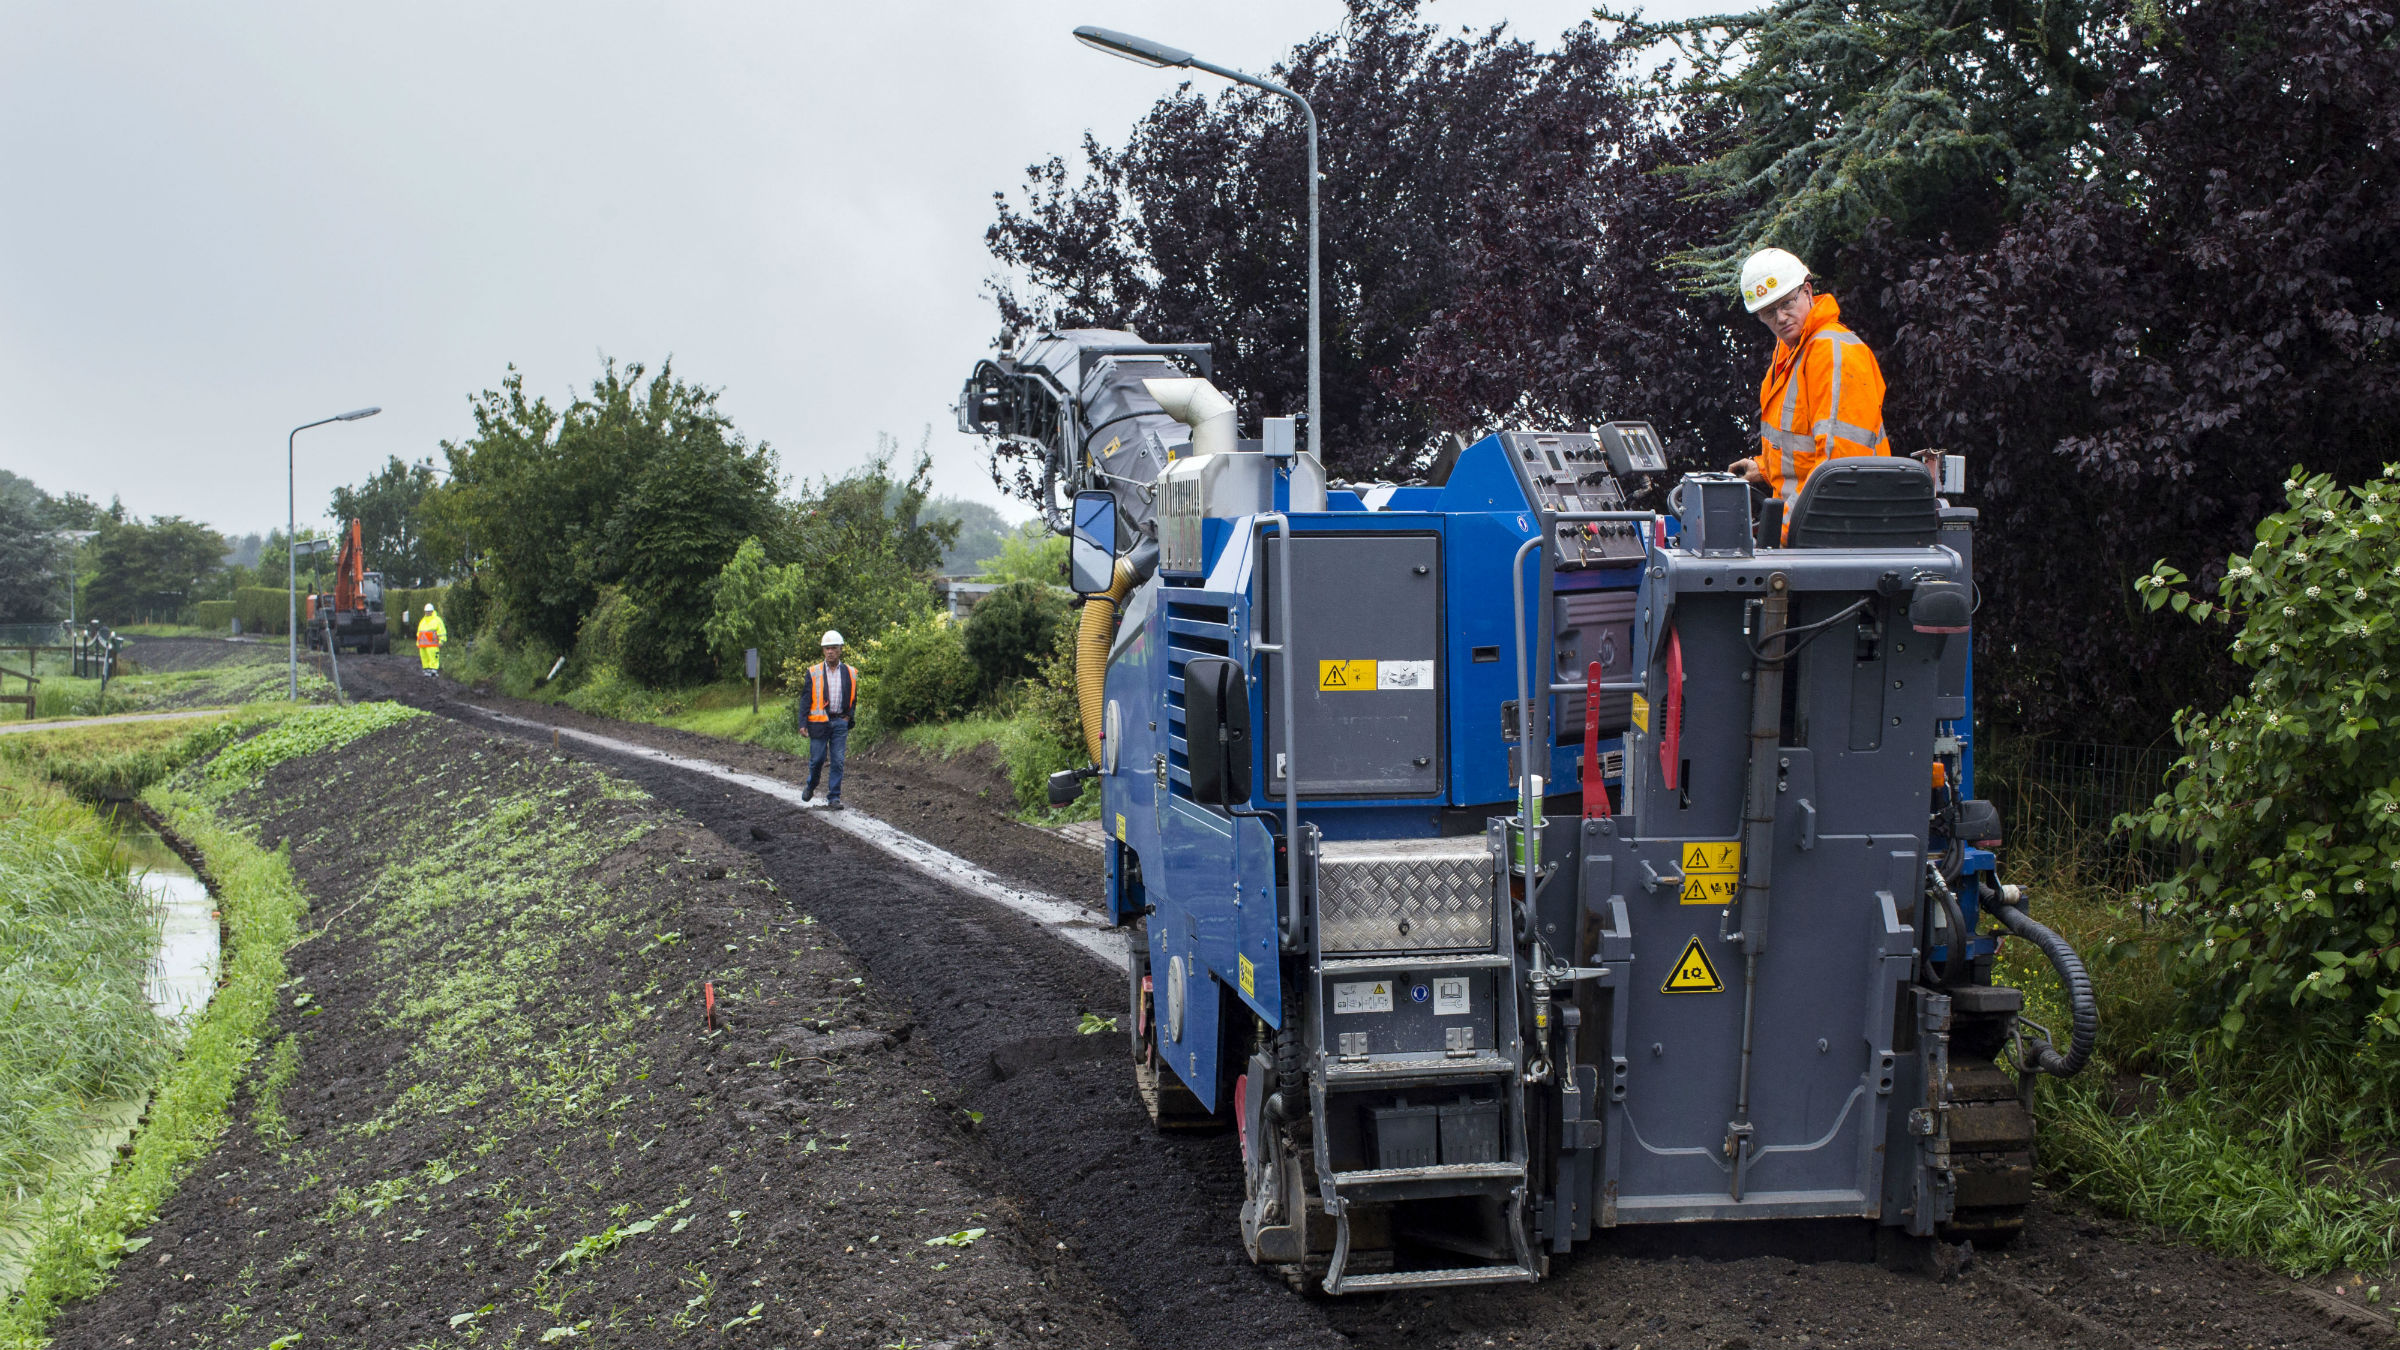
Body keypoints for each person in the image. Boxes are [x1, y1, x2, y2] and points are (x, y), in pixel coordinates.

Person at [1726, 248, 1892, 528]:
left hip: (1839, 532)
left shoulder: (1832, 353)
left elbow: (1839, 471)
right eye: (1768, 312)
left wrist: (1779, 535)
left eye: (1787, 303)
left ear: (1807, 291)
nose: (1780, 318)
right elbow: (1803, 448)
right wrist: (1764, 469)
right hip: (1816, 530)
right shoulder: (1791, 353)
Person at [800, 630, 858, 809]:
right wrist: (802, 723)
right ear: (823, 651)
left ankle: (834, 797)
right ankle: (811, 785)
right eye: (827, 648)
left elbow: (854, 697)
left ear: (840, 649)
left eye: (833, 648)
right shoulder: (813, 672)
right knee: (817, 759)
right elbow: (805, 699)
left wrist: (849, 716)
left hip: (840, 721)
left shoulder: (850, 672)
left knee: (838, 760)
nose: (830, 651)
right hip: (818, 722)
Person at [415, 601, 446, 679]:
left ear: (432, 611)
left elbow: (442, 631)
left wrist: (441, 641)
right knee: (424, 658)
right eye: (426, 612)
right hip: (423, 645)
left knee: (433, 657)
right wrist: (418, 642)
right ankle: (426, 670)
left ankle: (434, 671)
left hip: (433, 645)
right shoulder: (423, 620)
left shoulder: (437, 620)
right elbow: (419, 632)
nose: (428, 613)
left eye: (429, 611)